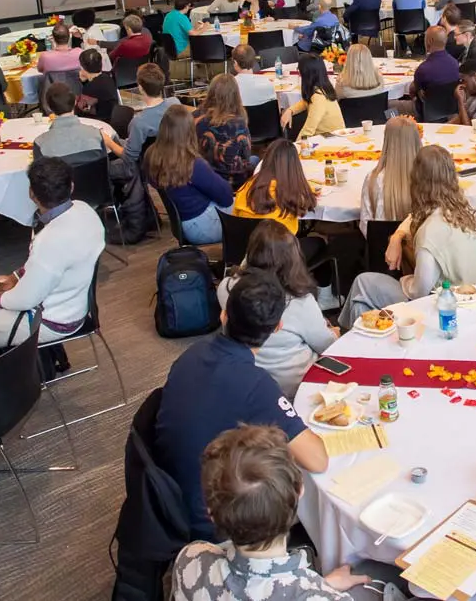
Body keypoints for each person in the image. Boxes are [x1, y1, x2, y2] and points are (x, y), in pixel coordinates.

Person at [154, 270, 329, 542]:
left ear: (224, 314)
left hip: (168, 497)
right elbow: (317, 460)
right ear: (277, 327)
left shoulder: (191, 354)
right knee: (305, 489)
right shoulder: (255, 385)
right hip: (217, 518)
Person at [168, 422, 372, 601]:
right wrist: (319, 589)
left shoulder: (190, 559)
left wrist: (320, 587)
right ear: (300, 489)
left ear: (211, 513)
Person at [341, 144, 476, 326]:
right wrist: (397, 236)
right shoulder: (463, 212)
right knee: (360, 307)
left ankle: (342, 335)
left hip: (438, 309)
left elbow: (419, 291)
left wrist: (405, 280)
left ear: (417, 180)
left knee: (362, 281)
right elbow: (413, 217)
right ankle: (355, 336)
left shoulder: (429, 231)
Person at [0, 157, 105, 348]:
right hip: (75, 306)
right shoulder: (85, 210)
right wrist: (15, 277)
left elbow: (24, 300)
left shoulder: (50, 240)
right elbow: (49, 267)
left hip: (51, 321)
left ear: (32, 194)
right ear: (71, 187)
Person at [216, 223, 336, 397]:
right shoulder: (298, 301)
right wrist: (334, 333)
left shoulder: (226, 288)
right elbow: (326, 346)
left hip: (248, 379)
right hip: (296, 385)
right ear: (293, 258)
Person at [143, 105, 232, 245]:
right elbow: (226, 198)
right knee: (250, 210)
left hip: (184, 222)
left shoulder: (151, 155)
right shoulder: (192, 163)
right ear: (189, 131)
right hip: (203, 226)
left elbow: (154, 182)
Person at [233, 141, 316, 235]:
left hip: (246, 244)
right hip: (279, 246)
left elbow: (235, 215)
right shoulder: (289, 190)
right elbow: (307, 204)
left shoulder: (248, 185)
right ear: (295, 165)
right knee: (319, 242)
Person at [359, 115, 419, 235]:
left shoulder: (373, 179)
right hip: (417, 249)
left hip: (381, 249)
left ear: (387, 142)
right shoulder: (427, 178)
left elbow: (365, 225)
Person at [196, 74, 252, 191]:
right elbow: (246, 155)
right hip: (233, 183)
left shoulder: (196, 117)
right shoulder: (239, 123)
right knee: (256, 160)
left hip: (202, 178)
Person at [33, 83, 107, 160]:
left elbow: (39, 171)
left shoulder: (40, 144)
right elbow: (105, 164)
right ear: (75, 101)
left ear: (49, 108)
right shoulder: (96, 134)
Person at [400, 26, 461, 117]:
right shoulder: (456, 64)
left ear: (429, 41)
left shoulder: (423, 69)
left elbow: (412, 92)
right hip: (451, 110)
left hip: (425, 111)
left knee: (389, 106)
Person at [281, 54, 343, 139]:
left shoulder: (318, 98)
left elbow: (308, 131)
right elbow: (306, 101)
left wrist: (296, 147)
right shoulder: (323, 89)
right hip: (332, 137)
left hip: (328, 142)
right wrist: (290, 110)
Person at [73, 48, 118, 123]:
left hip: (101, 121)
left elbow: (83, 112)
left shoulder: (90, 88)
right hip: (112, 116)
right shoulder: (108, 77)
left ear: (83, 68)